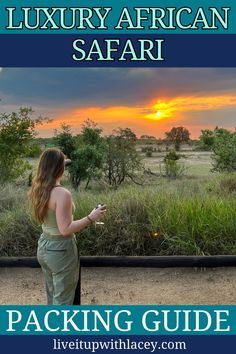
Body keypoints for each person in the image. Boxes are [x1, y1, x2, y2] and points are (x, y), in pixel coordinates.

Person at [28, 148, 106, 305]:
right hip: (61, 250)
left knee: (52, 296)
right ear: (59, 168)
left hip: (44, 246)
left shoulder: (38, 189)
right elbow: (65, 229)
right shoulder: (62, 194)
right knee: (63, 301)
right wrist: (92, 217)